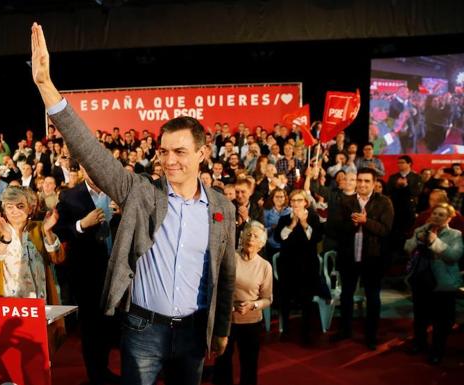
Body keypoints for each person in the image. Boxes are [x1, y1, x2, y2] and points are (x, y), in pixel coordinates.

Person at [31, 22, 235, 385]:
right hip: (142, 330)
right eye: (164, 151)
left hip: (193, 333)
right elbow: (92, 153)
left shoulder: (222, 209)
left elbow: (226, 273)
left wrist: (220, 330)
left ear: (203, 153)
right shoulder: (142, 192)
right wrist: (47, 87)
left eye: (180, 152)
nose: (169, 160)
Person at [53, 166, 120, 385]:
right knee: (92, 326)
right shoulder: (70, 196)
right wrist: (82, 224)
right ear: (84, 171)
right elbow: (59, 230)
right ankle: (96, 375)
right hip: (87, 273)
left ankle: (106, 369)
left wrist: (124, 214)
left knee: (113, 325)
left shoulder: (119, 192)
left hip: (119, 271)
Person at [0, 186, 66, 352]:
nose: (14, 211)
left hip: (39, 306)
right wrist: (5, 239)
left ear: (30, 208)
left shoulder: (40, 228)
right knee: (9, 355)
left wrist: (48, 232)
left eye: (20, 206)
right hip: (7, 307)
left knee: (39, 356)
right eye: (9, 206)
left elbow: (58, 258)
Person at [331, 168, 394, 350]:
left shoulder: (384, 202)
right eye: (359, 180)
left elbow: (386, 230)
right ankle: (345, 329)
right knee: (346, 295)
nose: (362, 184)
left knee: (373, 297)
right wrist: (351, 224)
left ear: (374, 183)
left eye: (367, 181)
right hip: (349, 257)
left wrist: (367, 222)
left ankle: (371, 335)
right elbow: (335, 229)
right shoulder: (346, 201)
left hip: (373, 258)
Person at [213, 221, 272, 385]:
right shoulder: (230, 258)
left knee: (249, 365)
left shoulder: (265, 266)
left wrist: (253, 305)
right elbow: (217, 286)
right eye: (248, 234)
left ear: (261, 243)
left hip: (251, 321)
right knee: (222, 362)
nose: (250, 238)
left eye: (255, 236)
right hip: (227, 319)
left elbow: (268, 298)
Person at [404, 203, 463, 364]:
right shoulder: (421, 229)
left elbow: (454, 255)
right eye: (435, 213)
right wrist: (417, 239)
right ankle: (419, 343)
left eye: (441, 215)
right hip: (421, 280)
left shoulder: (455, 234)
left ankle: (437, 351)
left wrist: (434, 241)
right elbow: (407, 248)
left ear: (449, 218)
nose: (436, 216)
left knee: (441, 321)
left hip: (442, 283)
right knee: (420, 316)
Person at [273, 189, 322, 343]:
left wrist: (304, 223)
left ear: (305, 202)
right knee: (285, 299)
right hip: (288, 265)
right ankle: (285, 330)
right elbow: (278, 238)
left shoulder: (313, 217)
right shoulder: (284, 218)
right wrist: (293, 224)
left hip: (308, 266)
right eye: (293, 200)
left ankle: (306, 333)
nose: (296, 204)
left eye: (299, 200)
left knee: (307, 301)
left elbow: (316, 238)